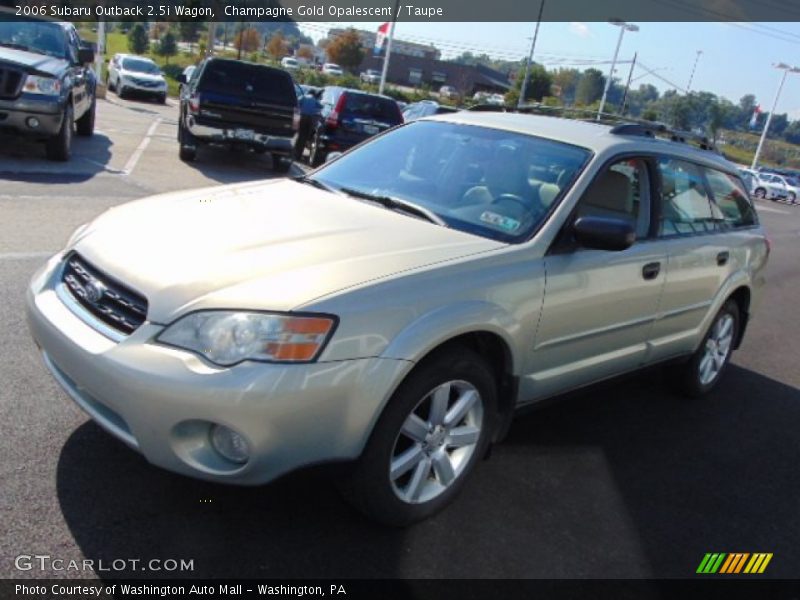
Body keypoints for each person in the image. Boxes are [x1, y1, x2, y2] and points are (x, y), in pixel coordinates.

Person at [294, 89, 322, 161]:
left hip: (302, 117)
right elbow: (321, 107)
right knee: (304, 136)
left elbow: (296, 103)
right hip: (310, 119)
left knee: (299, 134)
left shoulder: (303, 97)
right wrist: (313, 110)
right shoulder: (314, 99)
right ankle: (299, 155)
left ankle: (294, 153)